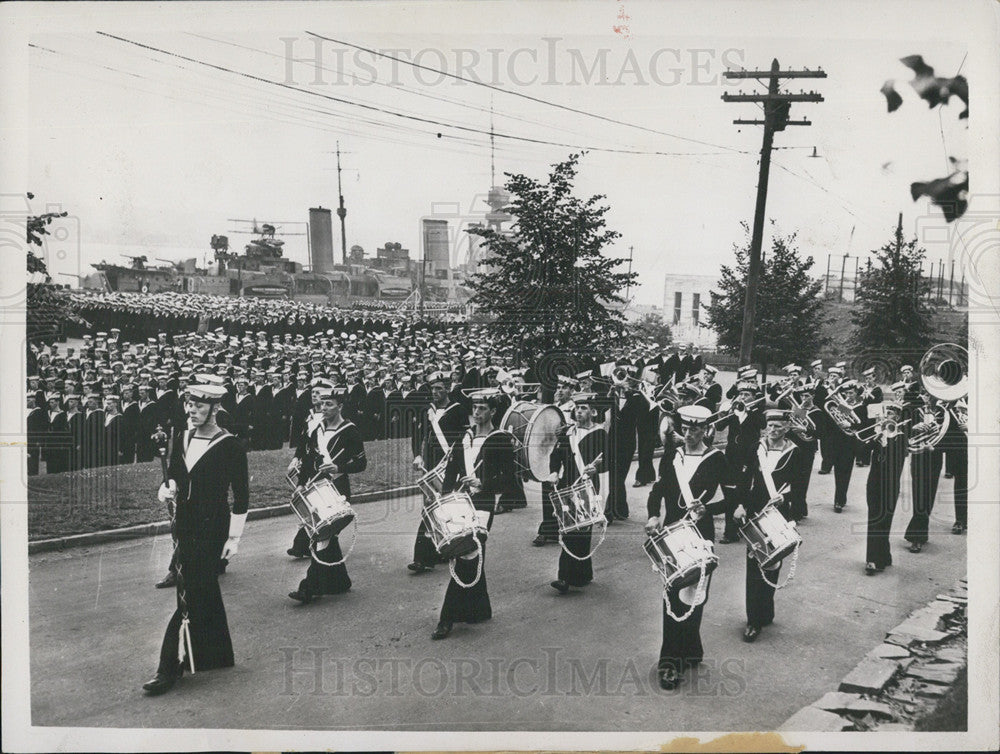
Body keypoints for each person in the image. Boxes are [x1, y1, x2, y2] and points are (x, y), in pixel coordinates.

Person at [143, 384, 249, 696]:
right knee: (201, 585)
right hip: (185, 523)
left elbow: (241, 495)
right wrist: (169, 486)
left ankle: (169, 665)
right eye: (189, 405)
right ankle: (216, 654)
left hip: (214, 527)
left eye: (199, 407)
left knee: (190, 588)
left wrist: (234, 537)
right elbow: (176, 473)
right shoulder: (184, 437)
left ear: (215, 409)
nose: (192, 411)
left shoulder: (230, 445)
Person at [645, 405, 734, 689]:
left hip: (700, 534)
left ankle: (691, 649)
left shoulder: (718, 458)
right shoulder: (673, 455)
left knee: (695, 595)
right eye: (686, 427)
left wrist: (709, 508)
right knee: (672, 595)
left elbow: (735, 496)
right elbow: (657, 490)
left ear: (707, 429)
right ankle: (669, 663)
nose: (690, 433)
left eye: (696, 428)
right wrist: (653, 515)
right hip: (672, 532)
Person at [432, 389, 518, 640]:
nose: (477, 413)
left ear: (493, 411)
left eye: (482, 409)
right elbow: (451, 473)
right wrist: (445, 498)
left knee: (467, 552)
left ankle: (446, 617)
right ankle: (479, 609)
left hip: (483, 502)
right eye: (475, 408)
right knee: (473, 553)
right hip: (460, 502)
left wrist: (483, 483)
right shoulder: (464, 437)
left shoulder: (500, 439)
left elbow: (509, 479)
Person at [287, 386, 367, 604]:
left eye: (329, 404)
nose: (324, 407)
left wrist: (340, 467)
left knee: (321, 536)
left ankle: (308, 588)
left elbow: (361, 463)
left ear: (340, 406)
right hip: (316, 488)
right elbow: (307, 459)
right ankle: (339, 581)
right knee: (326, 536)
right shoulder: (317, 429)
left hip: (337, 489)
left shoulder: (350, 430)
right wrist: (301, 484)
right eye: (322, 403)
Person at [733, 409, 806, 643]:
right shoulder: (756, 448)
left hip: (779, 513)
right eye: (770, 426)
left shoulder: (796, 452)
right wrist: (741, 505)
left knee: (774, 562)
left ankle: (766, 609)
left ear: (787, 428)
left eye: (778, 427)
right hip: (755, 510)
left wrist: (786, 499)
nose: (772, 430)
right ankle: (753, 619)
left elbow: (800, 486)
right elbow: (744, 480)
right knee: (755, 561)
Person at [408, 371, 469, 572]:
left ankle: (448, 549)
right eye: (432, 388)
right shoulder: (429, 410)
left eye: (439, 388)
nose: (435, 392)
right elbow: (417, 435)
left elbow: (465, 439)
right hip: (433, 467)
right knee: (431, 507)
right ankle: (424, 557)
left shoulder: (458, 410)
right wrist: (417, 455)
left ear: (448, 389)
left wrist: (461, 467)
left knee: (448, 508)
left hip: (453, 466)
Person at [550, 393, 607, 595]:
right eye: (577, 408)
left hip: (588, 486)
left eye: (583, 408)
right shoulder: (568, 433)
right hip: (568, 485)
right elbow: (556, 456)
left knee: (582, 530)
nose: (578, 411)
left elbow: (609, 460)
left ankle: (579, 574)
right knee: (568, 528)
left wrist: (596, 470)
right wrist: (554, 472)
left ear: (592, 412)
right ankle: (565, 576)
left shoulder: (600, 433)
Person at [863, 401, 908, 574]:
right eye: (886, 413)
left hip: (890, 484)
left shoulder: (901, 436)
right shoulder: (877, 434)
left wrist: (884, 445)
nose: (887, 416)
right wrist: (873, 439)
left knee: (884, 520)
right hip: (873, 482)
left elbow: (898, 462)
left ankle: (882, 555)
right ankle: (873, 559)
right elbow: (862, 454)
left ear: (897, 417)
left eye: (891, 414)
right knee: (874, 519)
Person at [717, 380, 764, 543]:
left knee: (744, 490)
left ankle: (741, 526)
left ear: (753, 397)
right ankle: (731, 530)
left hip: (749, 456)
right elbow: (719, 427)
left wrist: (749, 411)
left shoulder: (757, 411)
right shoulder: (734, 410)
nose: (743, 397)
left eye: (747, 395)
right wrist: (724, 413)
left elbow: (762, 424)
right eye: (741, 394)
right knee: (730, 492)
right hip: (731, 456)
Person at [534, 376, 577, 545]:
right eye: (558, 387)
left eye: (564, 388)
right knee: (549, 486)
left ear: (572, 391)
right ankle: (549, 529)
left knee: (567, 489)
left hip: (569, 451)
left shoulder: (575, 407)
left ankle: (569, 526)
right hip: (552, 451)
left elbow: (582, 425)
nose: (559, 391)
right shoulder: (552, 408)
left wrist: (568, 428)